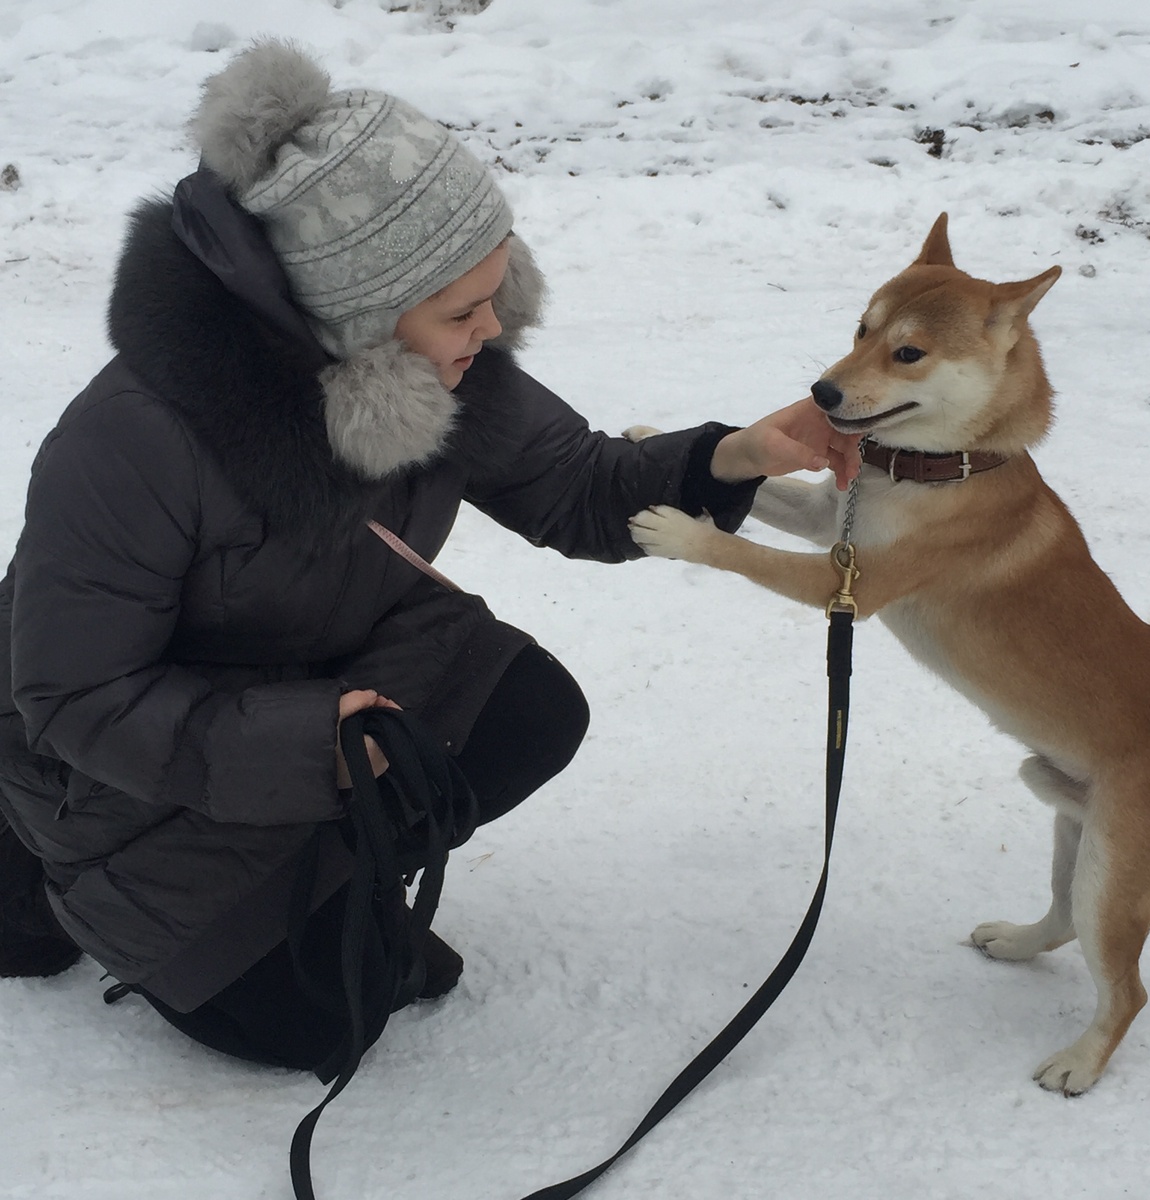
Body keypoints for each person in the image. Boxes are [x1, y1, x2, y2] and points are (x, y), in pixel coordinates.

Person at [0, 39, 859, 1072]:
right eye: (462, 309)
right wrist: (310, 743)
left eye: (495, 293)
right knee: (323, 1027)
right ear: (354, 312)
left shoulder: (445, 373)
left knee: (528, 712)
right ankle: (47, 881)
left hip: (305, 678)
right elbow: (79, 698)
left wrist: (733, 456)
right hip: (108, 772)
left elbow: (576, 486)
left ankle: (313, 885)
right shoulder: (133, 442)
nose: (491, 329)